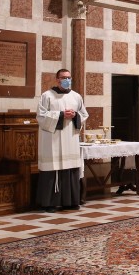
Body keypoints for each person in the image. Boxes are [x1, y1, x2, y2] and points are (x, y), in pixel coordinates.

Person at [36, 69, 89, 212]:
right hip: (53, 140)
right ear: (57, 79)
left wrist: (75, 115)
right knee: (53, 168)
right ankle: (49, 203)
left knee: (70, 168)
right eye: (64, 77)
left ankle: (70, 202)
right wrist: (60, 115)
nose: (67, 80)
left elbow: (84, 114)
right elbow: (41, 116)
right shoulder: (47, 96)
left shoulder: (76, 96)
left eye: (69, 77)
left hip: (70, 138)